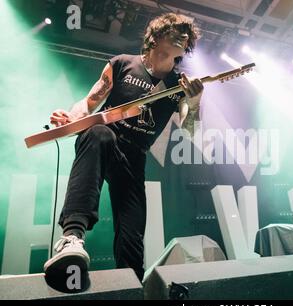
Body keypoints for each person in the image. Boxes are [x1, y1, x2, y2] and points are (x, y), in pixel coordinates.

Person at [43, 13, 203, 282]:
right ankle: (71, 237)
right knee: (98, 132)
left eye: (186, 33)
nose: (183, 35)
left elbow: (191, 132)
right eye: (176, 29)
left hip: (135, 159)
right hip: (105, 141)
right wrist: (72, 118)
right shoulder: (122, 64)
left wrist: (195, 102)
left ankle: (130, 283)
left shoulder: (180, 85)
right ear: (156, 35)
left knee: (132, 238)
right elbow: (88, 104)